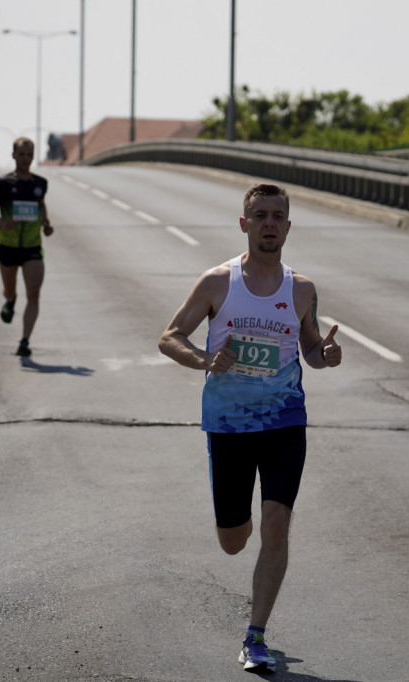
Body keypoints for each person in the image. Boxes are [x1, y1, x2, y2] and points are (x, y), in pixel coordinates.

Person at [158, 183, 342, 674]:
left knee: (277, 523)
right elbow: (168, 337)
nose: (268, 223)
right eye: (259, 214)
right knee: (234, 539)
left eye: (277, 215)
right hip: (229, 425)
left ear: (287, 226)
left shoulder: (301, 289)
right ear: (244, 224)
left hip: (285, 421)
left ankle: (255, 635)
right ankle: (238, 541)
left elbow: (309, 349)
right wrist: (204, 360)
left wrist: (324, 356)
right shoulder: (218, 282)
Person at [0, 137, 53, 357]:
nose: (25, 158)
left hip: (32, 247)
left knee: (33, 293)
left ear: (33, 157)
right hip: (8, 246)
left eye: (29, 154)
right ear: (13, 156)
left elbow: (41, 207)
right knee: (10, 290)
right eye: (21, 154)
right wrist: (3, 223)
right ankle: (10, 301)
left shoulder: (40, 184)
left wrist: (46, 224)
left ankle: (24, 341)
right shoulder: (4, 184)